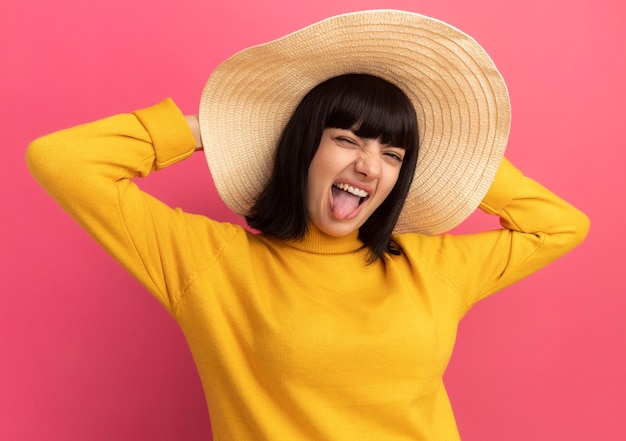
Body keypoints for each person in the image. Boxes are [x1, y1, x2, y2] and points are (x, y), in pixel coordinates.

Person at [26, 10, 589, 441]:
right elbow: (63, 161)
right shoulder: (212, 264)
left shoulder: (430, 265)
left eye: (392, 154)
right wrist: (214, 127)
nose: (369, 165)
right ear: (302, 148)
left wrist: (455, 157)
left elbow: (560, 226)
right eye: (347, 140)